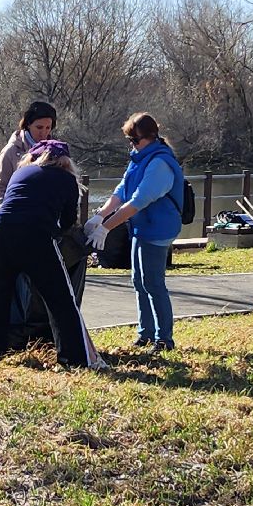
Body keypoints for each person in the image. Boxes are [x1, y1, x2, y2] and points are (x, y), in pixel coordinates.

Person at [0, 140, 102, 368]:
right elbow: (69, 221)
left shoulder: (21, 174)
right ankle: (75, 359)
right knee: (60, 298)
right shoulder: (67, 179)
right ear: (66, 161)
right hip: (36, 235)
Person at [0, 101, 88, 350]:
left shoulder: (56, 151)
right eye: (39, 127)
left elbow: (64, 198)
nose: (44, 132)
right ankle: (17, 338)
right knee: (17, 287)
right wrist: (10, 212)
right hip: (15, 226)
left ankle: (40, 336)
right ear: (27, 125)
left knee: (40, 287)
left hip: (38, 227)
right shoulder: (12, 151)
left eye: (48, 127)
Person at [85, 113, 186, 352]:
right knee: (138, 281)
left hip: (158, 228)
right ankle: (146, 333)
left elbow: (137, 201)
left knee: (153, 283)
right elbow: (122, 191)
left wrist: (106, 228)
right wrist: (100, 215)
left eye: (135, 139)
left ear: (150, 137)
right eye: (129, 140)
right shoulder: (139, 157)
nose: (132, 144)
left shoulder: (160, 163)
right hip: (142, 226)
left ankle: (164, 339)